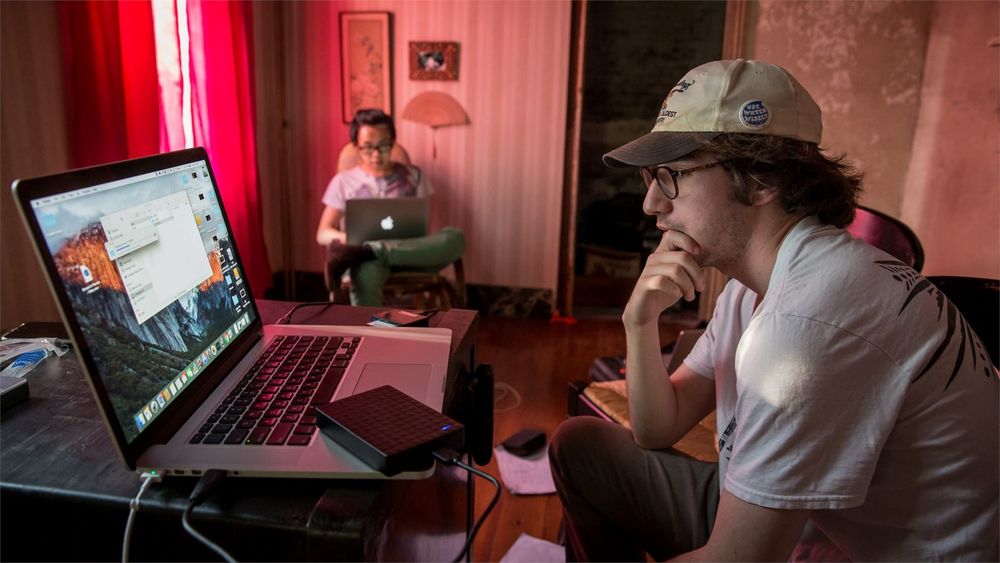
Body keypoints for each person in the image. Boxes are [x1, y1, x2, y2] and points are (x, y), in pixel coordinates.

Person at [548, 59, 998, 561]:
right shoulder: (754, 285)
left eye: (673, 174)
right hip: (816, 522)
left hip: (869, 550)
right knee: (581, 446)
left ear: (762, 180)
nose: (651, 203)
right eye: (651, 177)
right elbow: (658, 428)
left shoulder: (807, 322)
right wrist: (640, 320)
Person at [316, 108, 464, 306]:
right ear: (356, 146)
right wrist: (351, 240)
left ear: (393, 143)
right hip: (370, 263)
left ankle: (375, 249)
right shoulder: (343, 182)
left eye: (383, 146)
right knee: (365, 271)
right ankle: (371, 332)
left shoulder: (415, 176)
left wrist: (371, 248)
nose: (376, 155)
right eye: (367, 147)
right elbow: (322, 233)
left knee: (455, 238)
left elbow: (423, 231)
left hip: (411, 256)